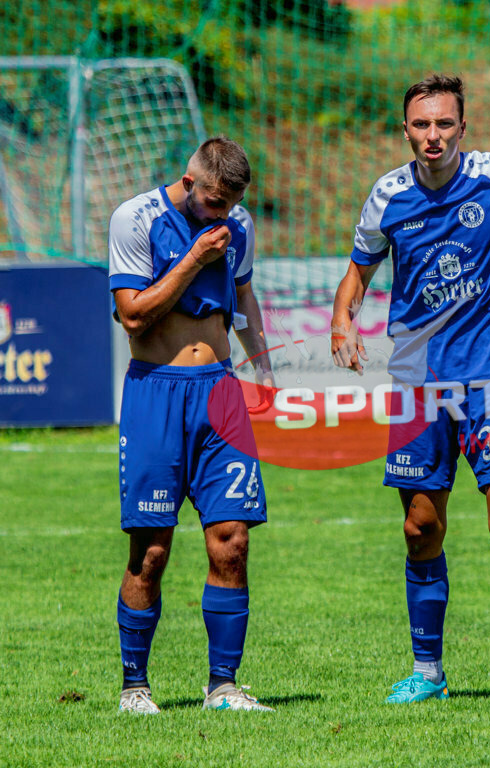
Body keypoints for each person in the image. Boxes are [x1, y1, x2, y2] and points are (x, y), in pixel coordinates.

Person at [331, 75, 490, 709]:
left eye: (444, 124)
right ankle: (427, 670)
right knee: (420, 527)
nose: (433, 136)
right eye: (421, 126)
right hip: (418, 385)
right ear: (406, 130)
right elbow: (358, 270)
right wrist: (343, 319)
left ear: (463, 127)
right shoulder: (386, 196)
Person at [108, 137, 276, 714]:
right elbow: (132, 315)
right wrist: (195, 258)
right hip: (156, 393)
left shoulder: (239, 224)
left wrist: (263, 370)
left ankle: (223, 687)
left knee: (232, 542)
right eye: (211, 202)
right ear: (188, 180)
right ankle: (135, 687)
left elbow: (245, 296)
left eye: (229, 205)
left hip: (222, 395)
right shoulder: (136, 218)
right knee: (151, 551)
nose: (220, 215)